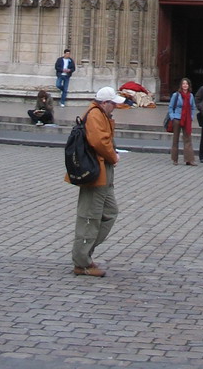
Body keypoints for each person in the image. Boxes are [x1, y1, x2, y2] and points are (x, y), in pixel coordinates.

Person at [72, 86, 124, 277]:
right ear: (104, 103)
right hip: (96, 172)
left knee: (110, 212)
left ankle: (85, 253)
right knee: (90, 216)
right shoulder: (95, 115)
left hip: (104, 171)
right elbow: (99, 142)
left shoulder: (104, 116)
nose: (115, 107)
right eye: (113, 104)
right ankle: (81, 262)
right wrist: (113, 156)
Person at [168, 78, 197, 165]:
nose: (185, 86)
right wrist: (172, 117)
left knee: (187, 139)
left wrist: (191, 117)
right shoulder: (176, 95)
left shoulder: (191, 96)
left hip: (187, 119)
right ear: (181, 85)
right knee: (175, 139)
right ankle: (175, 159)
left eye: (186, 84)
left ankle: (189, 159)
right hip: (177, 118)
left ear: (189, 86)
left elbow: (193, 107)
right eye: (183, 84)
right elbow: (170, 107)